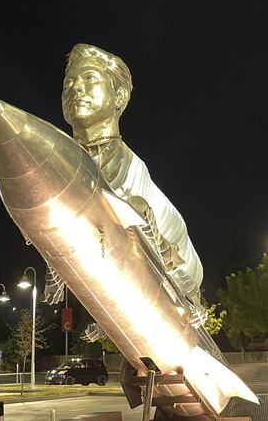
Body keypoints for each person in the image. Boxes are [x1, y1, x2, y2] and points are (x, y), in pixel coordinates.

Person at [45, 44, 205, 325]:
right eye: (69, 83)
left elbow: (134, 211)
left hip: (176, 263)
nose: (76, 89)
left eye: (89, 79)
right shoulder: (62, 162)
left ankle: (194, 303)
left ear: (119, 96)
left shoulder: (131, 167)